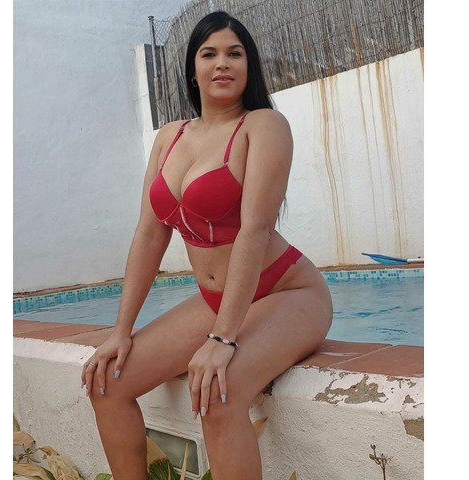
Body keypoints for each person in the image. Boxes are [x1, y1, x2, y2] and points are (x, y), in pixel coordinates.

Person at [82, 10, 332, 480]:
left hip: (287, 293)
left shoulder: (263, 126)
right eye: (209, 53)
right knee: (107, 384)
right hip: (218, 299)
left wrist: (222, 339)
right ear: (193, 70)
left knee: (218, 392)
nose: (222, 63)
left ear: (248, 66)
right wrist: (121, 331)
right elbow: (150, 233)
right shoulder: (169, 137)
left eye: (235, 54)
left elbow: (255, 230)